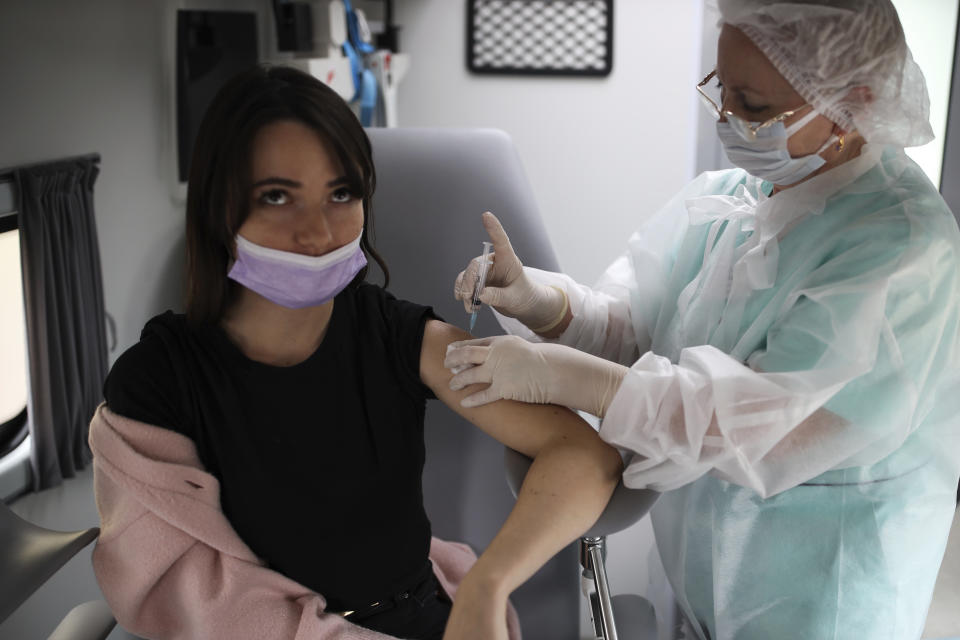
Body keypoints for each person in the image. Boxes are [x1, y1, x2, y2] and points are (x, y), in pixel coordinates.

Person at [445, 1, 960, 638]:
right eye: (720, 90)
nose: (728, 121)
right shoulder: (737, 200)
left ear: (853, 99)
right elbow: (638, 331)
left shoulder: (900, 252)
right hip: (703, 582)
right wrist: (539, 303)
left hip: (823, 603)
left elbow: (753, 427)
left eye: (752, 104)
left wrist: (565, 379)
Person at [87, 65, 623, 640]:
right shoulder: (156, 381)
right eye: (276, 196)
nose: (318, 232)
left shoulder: (397, 337)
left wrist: (488, 587)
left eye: (341, 193)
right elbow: (181, 588)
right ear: (220, 208)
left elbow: (583, 456)